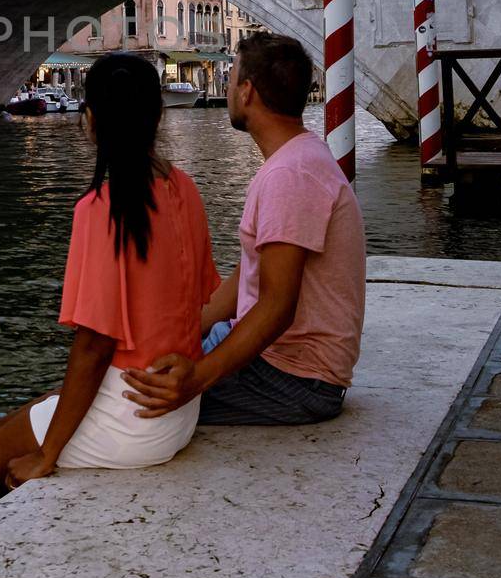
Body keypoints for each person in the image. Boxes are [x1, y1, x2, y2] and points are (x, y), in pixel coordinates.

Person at [0, 52, 219, 529]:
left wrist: (47, 456)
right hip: (176, 411)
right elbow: (199, 301)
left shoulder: (100, 209)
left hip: (130, 420)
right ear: (158, 115)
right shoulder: (185, 188)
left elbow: (94, 346)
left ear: (89, 120)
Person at [122, 32, 366, 427]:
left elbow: (276, 307)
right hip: (285, 368)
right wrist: (181, 331)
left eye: (232, 77)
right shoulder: (298, 158)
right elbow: (251, 275)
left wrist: (196, 380)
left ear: (247, 91)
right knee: (129, 370)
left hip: (293, 379)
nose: (230, 87)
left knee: (125, 407)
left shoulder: (289, 175)